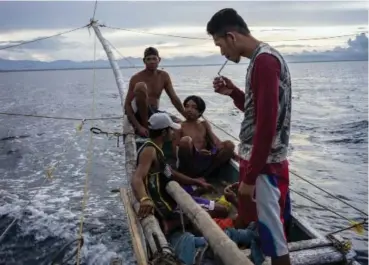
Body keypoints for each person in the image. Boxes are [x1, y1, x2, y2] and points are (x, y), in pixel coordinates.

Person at [207, 8, 292, 265]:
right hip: (262, 163)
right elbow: (259, 112)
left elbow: (267, 125)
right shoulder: (260, 60)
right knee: (268, 233)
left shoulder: (265, 62)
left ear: (231, 37)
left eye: (220, 44)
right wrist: (233, 92)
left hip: (265, 167)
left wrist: (251, 177)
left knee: (274, 241)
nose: (222, 52)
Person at [131, 112, 229, 234]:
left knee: (200, 190)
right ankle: (172, 224)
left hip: (170, 197)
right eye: (171, 130)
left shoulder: (155, 147)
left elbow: (170, 172)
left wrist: (195, 181)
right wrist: (144, 199)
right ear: (164, 133)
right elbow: (137, 178)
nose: (174, 133)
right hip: (167, 206)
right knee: (223, 210)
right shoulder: (149, 150)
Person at [124, 47, 186, 137]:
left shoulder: (163, 76)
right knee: (141, 86)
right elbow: (127, 105)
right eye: (148, 59)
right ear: (144, 61)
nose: (152, 61)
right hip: (140, 116)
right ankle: (146, 127)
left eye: (154, 58)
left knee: (181, 125)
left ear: (159, 60)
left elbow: (174, 98)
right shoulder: (136, 78)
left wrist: (187, 117)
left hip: (155, 113)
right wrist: (138, 126)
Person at [173, 95, 235, 179]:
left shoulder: (204, 124)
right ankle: (190, 177)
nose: (189, 109)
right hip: (189, 163)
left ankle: (205, 177)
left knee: (229, 145)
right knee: (185, 141)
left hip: (205, 160)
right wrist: (198, 152)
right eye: (187, 106)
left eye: (193, 107)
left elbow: (216, 142)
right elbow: (175, 151)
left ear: (200, 112)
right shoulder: (180, 126)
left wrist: (230, 151)